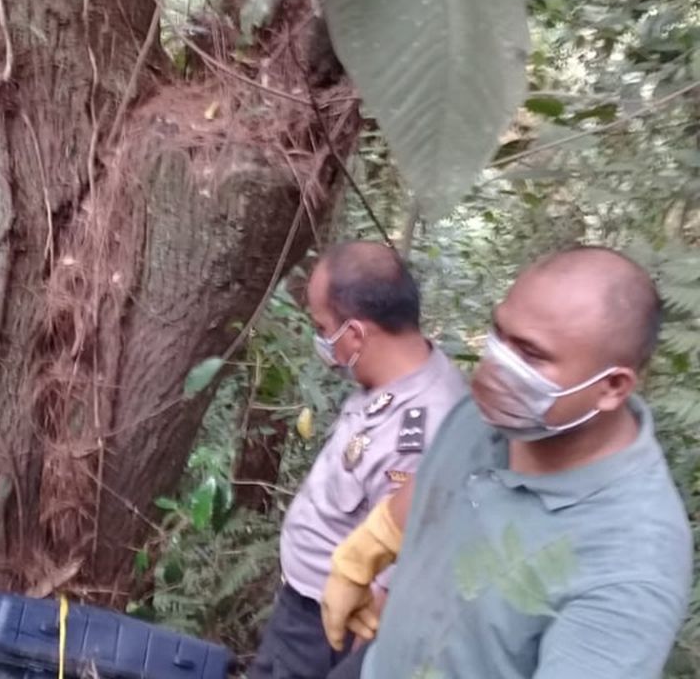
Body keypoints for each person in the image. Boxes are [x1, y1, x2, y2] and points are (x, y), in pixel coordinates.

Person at [323, 247, 693, 679]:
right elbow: (441, 478)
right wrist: (369, 547)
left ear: (612, 386)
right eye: (499, 334)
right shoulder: (491, 415)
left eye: (530, 354)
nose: (496, 366)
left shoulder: (632, 565)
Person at [248, 242, 468, 679]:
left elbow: (400, 577)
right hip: (304, 604)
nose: (321, 340)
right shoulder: (384, 383)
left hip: (329, 631)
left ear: (355, 334)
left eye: (321, 326)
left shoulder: (423, 429)